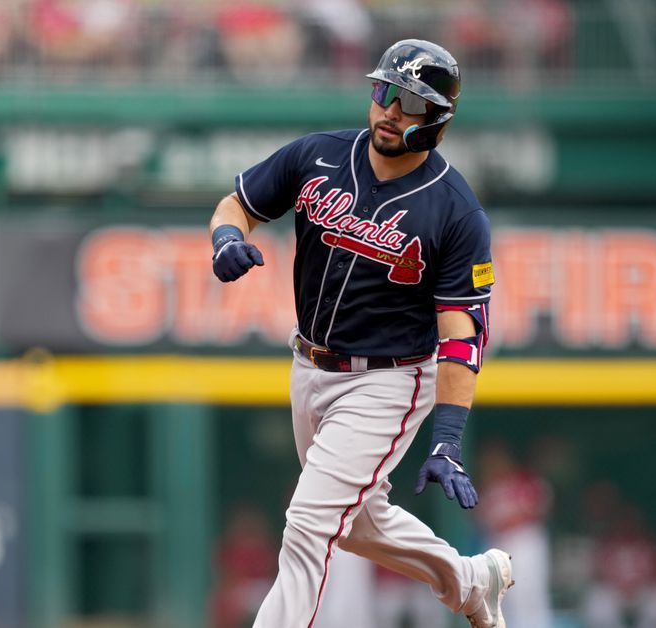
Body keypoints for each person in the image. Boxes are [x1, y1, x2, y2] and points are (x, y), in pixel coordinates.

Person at [207, 38, 513, 628]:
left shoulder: (455, 211)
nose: (391, 110)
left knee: (310, 524)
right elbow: (236, 203)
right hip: (309, 366)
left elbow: (461, 333)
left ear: (439, 122)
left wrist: (448, 434)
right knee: (360, 523)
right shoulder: (317, 155)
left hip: (389, 381)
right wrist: (225, 236)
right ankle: (473, 580)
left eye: (411, 102)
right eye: (385, 92)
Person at [475, 441, 553, 627]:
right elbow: (480, 518)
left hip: (526, 540)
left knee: (530, 595)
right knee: (502, 599)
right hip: (500, 543)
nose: (493, 463)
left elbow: (541, 507)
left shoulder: (525, 479)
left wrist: (511, 520)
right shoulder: (488, 487)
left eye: (496, 459)